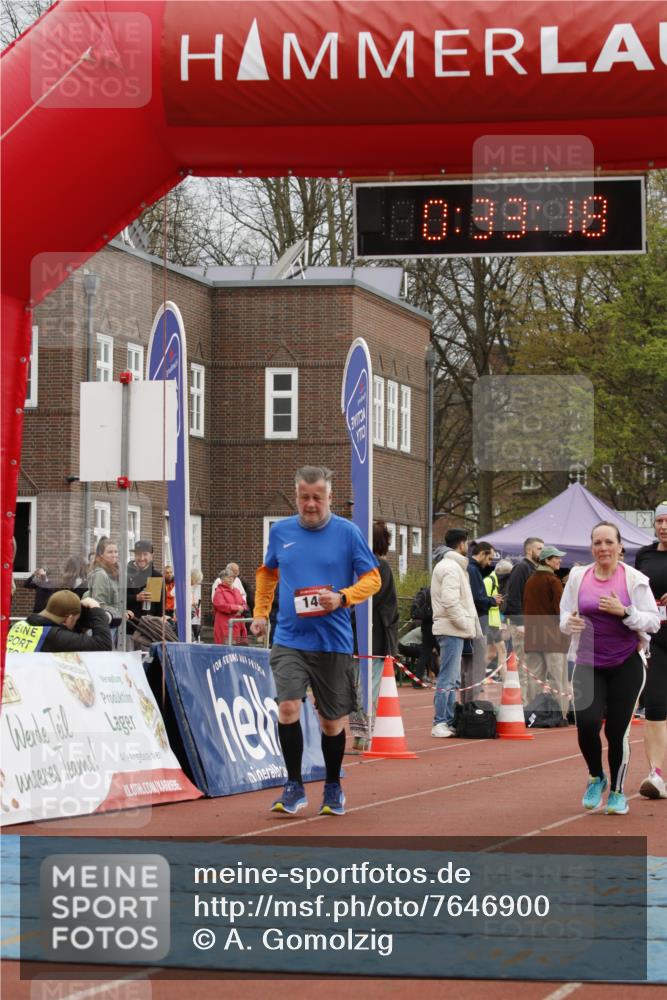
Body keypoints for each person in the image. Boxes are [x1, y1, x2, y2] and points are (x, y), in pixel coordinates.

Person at [250, 465, 380, 817]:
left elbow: (373, 579)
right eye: (304, 497)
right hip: (290, 637)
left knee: (330, 721)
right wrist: (261, 612)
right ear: (296, 496)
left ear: (329, 498)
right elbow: (268, 572)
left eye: (317, 498)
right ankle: (293, 785)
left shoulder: (348, 533)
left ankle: (333, 785)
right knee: (288, 707)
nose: (310, 505)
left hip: (332, 639)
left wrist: (343, 597)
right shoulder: (281, 531)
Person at [560, 521, 660, 815]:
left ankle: (617, 791)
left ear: (619, 547)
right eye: (597, 543)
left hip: (625, 664)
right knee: (587, 724)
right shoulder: (578, 577)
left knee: (616, 732)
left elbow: (652, 622)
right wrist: (570, 623)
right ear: (591, 547)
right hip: (588, 661)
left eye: (608, 542)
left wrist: (625, 612)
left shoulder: (635, 579)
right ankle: (596, 776)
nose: (603, 548)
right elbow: (564, 616)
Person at [350, 521, 399, 751]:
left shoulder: (363, 566)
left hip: (359, 635)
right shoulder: (381, 567)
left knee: (359, 686)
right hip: (375, 637)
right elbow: (378, 602)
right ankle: (366, 731)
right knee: (369, 686)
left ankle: (362, 732)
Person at [430, 528, 482, 738]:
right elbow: (450, 601)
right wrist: (464, 624)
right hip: (452, 628)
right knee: (448, 677)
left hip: (453, 628)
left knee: (452, 678)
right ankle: (440, 721)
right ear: (462, 544)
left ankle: (447, 720)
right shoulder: (451, 568)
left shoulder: (452, 567)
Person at [635, 500, 667, 799]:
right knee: (656, 706)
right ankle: (656, 774)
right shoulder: (644, 555)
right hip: (658, 640)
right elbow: (633, 591)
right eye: (659, 521)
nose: (664, 526)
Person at [523, 545, 570, 717]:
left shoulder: (530, 580)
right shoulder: (553, 581)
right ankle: (561, 714)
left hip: (533, 636)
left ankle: (532, 714)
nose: (560, 560)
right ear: (547, 560)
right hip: (553, 638)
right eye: (556, 558)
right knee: (558, 680)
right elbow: (561, 611)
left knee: (534, 679)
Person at [7, 590, 112, 653]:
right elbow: (103, 644)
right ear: (69, 618)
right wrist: (96, 608)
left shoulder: (19, 625)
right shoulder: (53, 636)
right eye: (75, 620)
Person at [505, 537, 544, 701]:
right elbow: (513, 597)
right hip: (522, 625)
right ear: (529, 550)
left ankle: (533, 702)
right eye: (539, 548)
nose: (542, 551)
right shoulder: (521, 568)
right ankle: (523, 704)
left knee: (535, 667)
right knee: (523, 666)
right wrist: (520, 623)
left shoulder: (536, 569)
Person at [467, 541, 504, 696]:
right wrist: (491, 600)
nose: (489, 563)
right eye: (489, 559)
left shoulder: (472, 569)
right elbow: (477, 598)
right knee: (478, 657)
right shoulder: (473, 570)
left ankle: (474, 687)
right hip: (480, 618)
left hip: (482, 618)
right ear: (482, 553)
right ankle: (474, 691)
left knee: (481, 656)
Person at [85, 538, 122, 623]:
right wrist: (120, 611)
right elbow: (99, 604)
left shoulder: (114, 572)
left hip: (113, 621)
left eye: (116, 552)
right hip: (105, 624)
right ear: (101, 555)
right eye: (110, 552)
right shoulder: (101, 574)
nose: (114, 555)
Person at [126, 540, 160, 622]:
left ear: (151, 556)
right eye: (138, 554)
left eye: (145, 554)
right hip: (128, 626)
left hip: (149, 628)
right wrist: (136, 597)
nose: (141, 558)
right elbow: (117, 599)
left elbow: (160, 607)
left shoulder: (156, 576)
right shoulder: (125, 574)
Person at [213, 570, 247, 644]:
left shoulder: (237, 590)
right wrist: (237, 608)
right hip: (224, 623)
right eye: (228, 577)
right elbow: (221, 606)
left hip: (237, 623)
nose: (231, 579)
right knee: (225, 646)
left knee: (236, 646)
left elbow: (243, 602)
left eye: (232, 577)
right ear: (221, 579)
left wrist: (243, 608)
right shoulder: (219, 591)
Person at [191, 568, 203, 642]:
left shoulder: (194, 588)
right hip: (190, 618)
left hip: (194, 617)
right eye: (197, 581)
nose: (198, 583)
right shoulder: (187, 587)